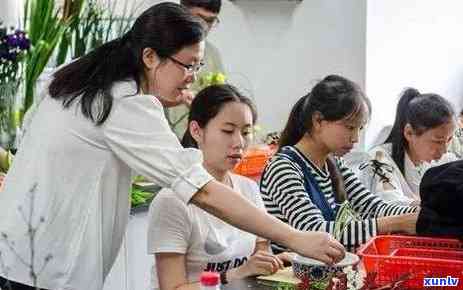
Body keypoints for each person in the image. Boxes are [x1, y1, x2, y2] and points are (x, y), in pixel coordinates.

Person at [0, 3, 343, 290]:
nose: (193, 76)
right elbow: (203, 192)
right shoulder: (126, 101)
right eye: (188, 65)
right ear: (150, 57)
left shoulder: (82, 77)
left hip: (17, 252)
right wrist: (297, 238)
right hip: (46, 266)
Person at [149, 84, 291, 290]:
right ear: (197, 131)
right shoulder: (171, 201)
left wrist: (276, 263)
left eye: (246, 132)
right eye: (227, 131)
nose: (239, 142)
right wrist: (236, 273)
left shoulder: (249, 190)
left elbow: (260, 261)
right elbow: (172, 288)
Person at [260, 75, 419, 252]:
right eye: (350, 127)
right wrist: (399, 222)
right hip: (290, 274)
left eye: (360, 128)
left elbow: (372, 207)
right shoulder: (283, 168)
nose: (355, 138)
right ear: (318, 121)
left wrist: (418, 212)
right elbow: (316, 232)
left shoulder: (335, 164)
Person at [355, 88, 457, 205]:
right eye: (438, 141)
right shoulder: (378, 160)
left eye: (449, 140)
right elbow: (392, 205)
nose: (444, 150)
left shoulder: (445, 160)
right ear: (409, 133)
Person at [169, 0, 226, 137]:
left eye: (211, 21)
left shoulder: (212, 55)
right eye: (199, 19)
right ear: (181, 12)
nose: (204, 27)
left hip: (196, 140)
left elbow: (221, 100)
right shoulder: (160, 46)